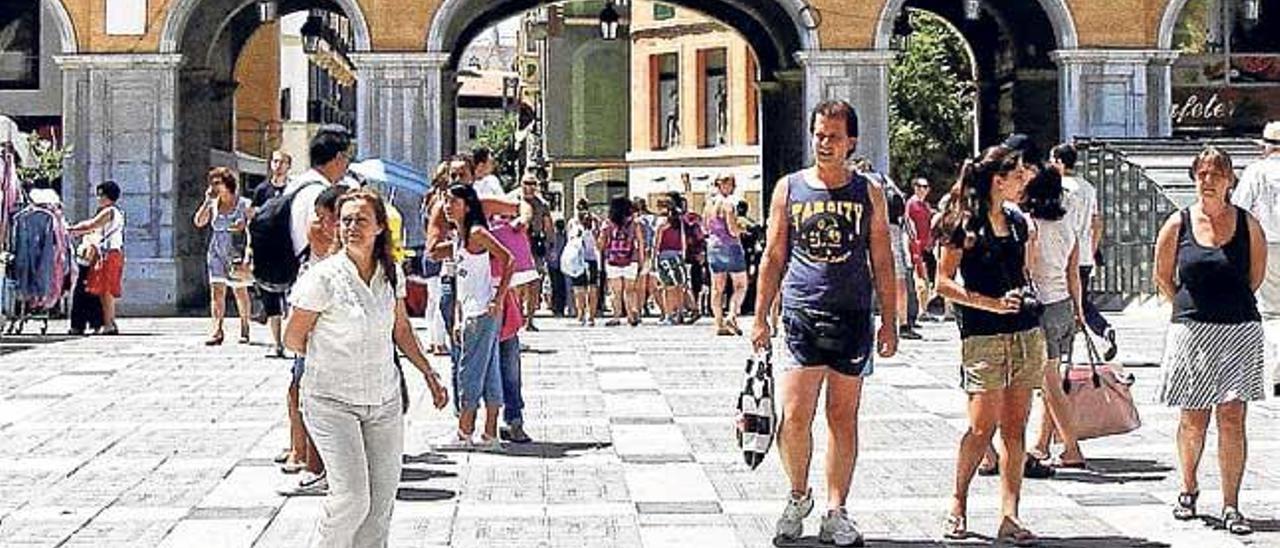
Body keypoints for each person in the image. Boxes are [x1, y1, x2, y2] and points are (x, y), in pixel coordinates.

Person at [752, 100, 898, 547]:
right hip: (800, 314)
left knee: (842, 418)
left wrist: (889, 321)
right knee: (794, 417)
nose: (825, 143)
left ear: (852, 141)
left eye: (834, 136)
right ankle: (799, 494)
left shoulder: (868, 192)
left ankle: (837, 510)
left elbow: (882, 259)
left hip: (852, 314)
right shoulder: (790, 189)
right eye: (819, 134)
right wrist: (759, 315)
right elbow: (774, 254)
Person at [284, 189, 449, 547]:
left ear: (379, 228)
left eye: (360, 220)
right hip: (331, 403)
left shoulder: (391, 275)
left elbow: (401, 330)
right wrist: (331, 360)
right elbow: (292, 338)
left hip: (383, 402)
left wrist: (429, 373)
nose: (351, 227)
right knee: (352, 499)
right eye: (345, 220)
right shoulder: (323, 278)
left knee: (379, 506)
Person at [1154, 146, 1266, 536]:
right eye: (1201, 173)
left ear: (1230, 180)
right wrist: (1188, 309)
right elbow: (1163, 277)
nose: (1208, 180)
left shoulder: (1248, 224)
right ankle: (1188, 488)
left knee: (1233, 417)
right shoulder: (1178, 223)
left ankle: (1232, 503)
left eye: (1216, 173)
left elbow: (1254, 277)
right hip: (1193, 330)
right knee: (1193, 417)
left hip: (1239, 329)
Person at [935, 145, 1042, 544]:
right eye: (1017, 174)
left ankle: (1010, 516)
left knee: (1016, 428)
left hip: (1025, 332)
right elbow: (942, 282)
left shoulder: (1016, 221)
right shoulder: (964, 224)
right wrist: (990, 304)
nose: (1024, 179)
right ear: (998, 179)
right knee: (982, 427)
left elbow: (1024, 269)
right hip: (982, 335)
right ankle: (958, 502)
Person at [1022, 166, 1088, 470]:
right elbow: (1073, 273)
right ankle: (1042, 443)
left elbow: (1028, 268)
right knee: (1054, 377)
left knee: (1048, 382)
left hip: (1043, 306)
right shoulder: (1067, 226)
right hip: (1063, 305)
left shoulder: (1029, 225)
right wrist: (1079, 309)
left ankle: (1072, 445)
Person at [441, 183, 513, 450]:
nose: (448, 206)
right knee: (489, 372)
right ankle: (490, 433)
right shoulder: (459, 235)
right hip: (471, 310)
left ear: (467, 205)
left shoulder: (476, 233)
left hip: (482, 311)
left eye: (453, 202)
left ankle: (464, 432)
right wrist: (458, 315)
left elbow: (508, 259)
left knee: (468, 372)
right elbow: (462, 280)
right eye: (446, 201)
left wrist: (499, 297)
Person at [1050, 143, 1116, 359]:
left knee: (1064, 302)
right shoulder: (1088, 187)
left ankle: (1065, 348)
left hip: (1064, 252)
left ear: (1059, 162)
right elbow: (1097, 222)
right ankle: (1101, 331)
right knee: (1081, 299)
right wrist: (1092, 248)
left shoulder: (1057, 187)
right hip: (1085, 253)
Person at [1230, 120, 1280, 397]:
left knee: (1272, 311)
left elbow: (1239, 209)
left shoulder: (1256, 171)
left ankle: (1278, 368)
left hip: (1267, 244)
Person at [193, 167, 254, 346]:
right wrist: (206, 202)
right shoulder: (213, 204)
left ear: (227, 184)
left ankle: (245, 326)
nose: (214, 187)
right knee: (217, 290)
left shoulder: (244, 204)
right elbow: (199, 222)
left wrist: (249, 251)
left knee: (239, 290)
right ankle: (217, 329)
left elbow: (254, 228)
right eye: (212, 183)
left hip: (236, 250)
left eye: (217, 183)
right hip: (216, 251)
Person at [68, 181, 125, 335]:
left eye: (101, 195)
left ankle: (109, 323)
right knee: (104, 290)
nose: (98, 198)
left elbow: (92, 225)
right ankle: (108, 322)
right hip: (110, 253)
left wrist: (73, 229)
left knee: (106, 290)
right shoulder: (113, 212)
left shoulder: (109, 211)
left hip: (109, 254)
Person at [252, 150, 293, 357]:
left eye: (282, 162)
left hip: (288, 249)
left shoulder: (292, 190)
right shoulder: (261, 190)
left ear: (288, 165)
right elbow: (254, 218)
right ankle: (278, 343)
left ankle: (293, 340)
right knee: (271, 299)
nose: (277, 165)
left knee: (293, 297)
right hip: (266, 250)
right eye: (274, 161)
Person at [704, 173, 748, 336]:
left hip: (713, 246)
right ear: (725, 185)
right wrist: (742, 230)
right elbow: (732, 229)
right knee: (741, 285)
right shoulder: (728, 204)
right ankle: (732, 315)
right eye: (732, 184)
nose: (734, 187)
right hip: (731, 247)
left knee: (717, 288)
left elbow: (705, 227)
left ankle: (718, 324)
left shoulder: (708, 204)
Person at [599, 197, 645, 327]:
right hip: (631, 259)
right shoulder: (635, 224)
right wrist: (641, 260)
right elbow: (641, 242)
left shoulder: (607, 224)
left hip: (613, 260)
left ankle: (616, 316)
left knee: (616, 291)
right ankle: (631, 315)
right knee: (630, 290)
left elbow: (601, 244)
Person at [520, 174, 554, 331]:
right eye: (527, 183)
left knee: (534, 283)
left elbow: (548, 225)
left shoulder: (542, 204)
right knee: (517, 283)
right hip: (518, 244)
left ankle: (530, 319)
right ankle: (518, 316)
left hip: (535, 245)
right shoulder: (512, 199)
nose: (530, 186)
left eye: (533, 183)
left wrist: (550, 245)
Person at [653, 194, 688, 325]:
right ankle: (679, 313)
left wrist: (653, 259)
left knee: (668, 288)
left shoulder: (662, 222)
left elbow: (656, 243)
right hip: (678, 255)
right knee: (679, 287)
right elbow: (683, 239)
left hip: (665, 256)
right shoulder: (679, 221)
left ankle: (668, 315)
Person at [565, 201, 601, 326]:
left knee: (581, 288)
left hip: (579, 259)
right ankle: (589, 316)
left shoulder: (574, 222)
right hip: (590, 258)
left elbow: (569, 240)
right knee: (590, 287)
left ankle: (583, 315)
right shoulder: (593, 220)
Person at [906, 177, 937, 319]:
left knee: (930, 278)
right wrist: (915, 244)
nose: (922, 189)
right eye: (919, 186)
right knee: (920, 277)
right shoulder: (911, 204)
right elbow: (909, 225)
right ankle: (922, 310)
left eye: (925, 186)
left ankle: (924, 308)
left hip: (928, 246)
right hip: (917, 247)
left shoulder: (926, 205)